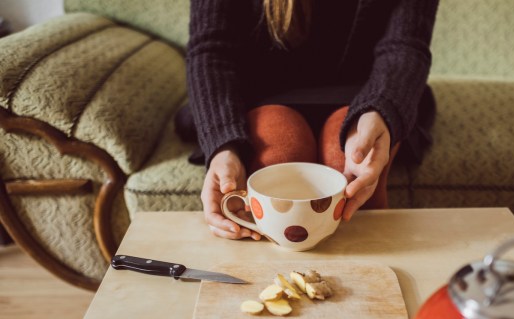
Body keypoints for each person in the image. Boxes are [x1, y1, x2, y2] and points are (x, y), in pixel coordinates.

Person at [176, 0, 439, 241]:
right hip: (258, 93)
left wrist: (382, 110)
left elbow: (406, 43)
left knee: (347, 178)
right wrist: (223, 146)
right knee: (277, 171)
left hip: (369, 89)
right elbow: (211, 49)